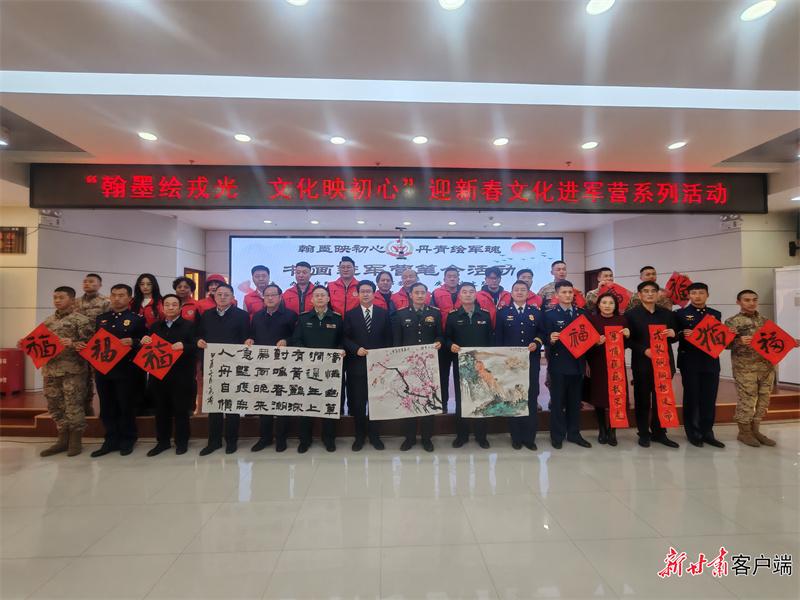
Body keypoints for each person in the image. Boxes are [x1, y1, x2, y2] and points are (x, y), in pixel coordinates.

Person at [21, 286, 94, 457]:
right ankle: (62, 439)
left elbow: (91, 345)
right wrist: (25, 343)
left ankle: (75, 440)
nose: (57, 300)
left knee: (73, 405)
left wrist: (73, 344)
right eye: (55, 297)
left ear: (72, 300)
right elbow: (39, 343)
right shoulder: (48, 321)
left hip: (73, 371)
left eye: (61, 297)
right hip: (50, 370)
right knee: (54, 405)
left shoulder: (81, 321)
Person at [91, 284, 147, 457]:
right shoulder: (101, 319)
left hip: (126, 370)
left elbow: (145, 342)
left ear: (129, 298)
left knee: (125, 405)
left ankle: (128, 438)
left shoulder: (137, 319)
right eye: (114, 295)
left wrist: (134, 342)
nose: (116, 298)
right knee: (107, 406)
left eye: (121, 295)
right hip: (104, 370)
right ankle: (110, 439)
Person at [196, 283, 252, 455]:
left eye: (226, 294)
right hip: (212, 365)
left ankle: (231, 441)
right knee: (214, 403)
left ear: (232, 297)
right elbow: (199, 335)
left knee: (232, 404)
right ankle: (214, 441)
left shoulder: (242, 315)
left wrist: (248, 341)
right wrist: (199, 341)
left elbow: (246, 337)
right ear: (214, 296)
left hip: (234, 366)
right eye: (219, 294)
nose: (222, 297)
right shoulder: (206, 315)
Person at [290, 286, 344, 453]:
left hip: (330, 369)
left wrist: (340, 350)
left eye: (323, 295)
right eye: (317, 295)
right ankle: (304, 440)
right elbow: (296, 340)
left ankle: (329, 439)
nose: (320, 298)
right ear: (311, 300)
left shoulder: (336, 318)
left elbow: (342, 340)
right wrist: (307, 357)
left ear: (328, 299)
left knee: (328, 403)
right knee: (306, 402)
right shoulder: (303, 318)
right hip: (308, 368)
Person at [626, 281, 680, 448]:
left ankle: (660, 433)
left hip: (664, 363)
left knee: (662, 399)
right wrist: (644, 350)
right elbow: (628, 341)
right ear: (639, 294)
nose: (649, 294)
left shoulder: (667, 314)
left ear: (658, 294)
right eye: (646, 291)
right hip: (642, 363)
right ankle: (643, 433)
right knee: (642, 399)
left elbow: (675, 337)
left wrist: (673, 334)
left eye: (653, 291)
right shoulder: (631, 315)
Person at [142, 294, 196, 456]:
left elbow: (197, 346)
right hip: (158, 375)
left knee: (181, 410)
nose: (170, 307)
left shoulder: (189, 326)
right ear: (162, 307)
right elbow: (147, 348)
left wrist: (185, 346)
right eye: (167, 304)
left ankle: (182, 442)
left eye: (174, 305)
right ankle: (163, 442)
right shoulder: (155, 326)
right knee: (161, 410)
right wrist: (144, 341)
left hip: (181, 375)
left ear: (180, 307)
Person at [392, 282, 443, 452]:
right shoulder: (400, 314)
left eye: (423, 292)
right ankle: (410, 438)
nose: (420, 295)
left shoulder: (435, 313)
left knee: (429, 400)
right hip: (408, 366)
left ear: (427, 295)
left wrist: (439, 342)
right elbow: (397, 342)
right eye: (417, 292)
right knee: (410, 400)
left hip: (428, 366)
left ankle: (427, 438)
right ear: (410, 295)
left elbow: (440, 335)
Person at [674, 283, 726, 448]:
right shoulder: (680, 314)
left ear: (707, 295)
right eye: (694, 293)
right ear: (689, 295)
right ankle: (693, 432)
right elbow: (673, 335)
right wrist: (682, 333)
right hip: (690, 361)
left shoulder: (715, 314)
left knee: (709, 398)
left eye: (701, 293)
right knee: (692, 397)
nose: (697, 296)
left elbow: (718, 336)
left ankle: (708, 432)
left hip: (711, 361)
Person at [343, 280, 392, 451]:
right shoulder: (350, 314)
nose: (365, 294)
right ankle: (359, 437)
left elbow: (389, 338)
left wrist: (385, 358)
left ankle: (374, 436)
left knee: (377, 402)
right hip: (356, 366)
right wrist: (355, 349)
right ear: (357, 294)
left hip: (379, 367)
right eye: (362, 291)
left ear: (374, 293)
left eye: (368, 291)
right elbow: (344, 338)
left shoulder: (383, 314)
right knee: (358, 403)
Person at [543, 281, 592, 449]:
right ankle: (557, 436)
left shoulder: (582, 314)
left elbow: (588, 338)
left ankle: (574, 434)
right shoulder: (549, 315)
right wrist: (550, 339)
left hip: (577, 364)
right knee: (557, 402)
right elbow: (544, 338)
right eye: (564, 292)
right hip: (558, 365)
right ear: (557, 295)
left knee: (575, 402)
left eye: (570, 292)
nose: (568, 295)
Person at [495, 280, 544, 450]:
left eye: (523, 290)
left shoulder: (536, 312)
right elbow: (498, 338)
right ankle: (516, 437)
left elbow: (542, 333)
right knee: (513, 398)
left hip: (531, 362)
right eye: (516, 289)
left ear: (528, 293)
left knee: (531, 397)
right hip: (510, 364)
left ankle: (529, 438)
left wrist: (536, 343)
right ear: (511, 293)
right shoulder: (503, 313)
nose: (520, 292)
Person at [725, 290, 777, 447]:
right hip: (745, 368)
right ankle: (744, 432)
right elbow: (723, 344)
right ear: (738, 302)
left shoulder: (765, 321)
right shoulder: (732, 322)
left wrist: (791, 342)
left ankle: (756, 430)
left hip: (766, 367)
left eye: (754, 300)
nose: (751, 303)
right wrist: (738, 341)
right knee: (747, 400)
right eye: (746, 300)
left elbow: (775, 340)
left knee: (763, 400)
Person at [249, 283, 298, 453]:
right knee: (264, 401)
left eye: (273, 295)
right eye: (267, 295)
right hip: (262, 365)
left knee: (281, 401)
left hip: (283, 366)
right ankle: (265, 437)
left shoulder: (290, 315)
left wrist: (287, 341)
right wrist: (250, 340)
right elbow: (252, 335)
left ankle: (281, 438)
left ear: (280, 297)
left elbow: (297, 338)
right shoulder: (257, 316)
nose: (270, 298)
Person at [445, 282, 493, 448]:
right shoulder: (453, 316)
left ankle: (481, 436)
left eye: (471, 291)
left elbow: (491, 339)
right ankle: (462, 435)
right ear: (459, 295)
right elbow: (446, 338)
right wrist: (450, 345)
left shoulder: (485, 315)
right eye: (464, 292)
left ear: (476, 294)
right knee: (462, 398)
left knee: (483, 397)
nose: (468, 294)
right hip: (461, 364)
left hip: (481, 365)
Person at [586, 292, 630, 446]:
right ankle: (602, 429)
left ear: (615, 306)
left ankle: (613, 430)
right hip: (598, 362)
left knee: (616, 395)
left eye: (611, 303)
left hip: (616, 364)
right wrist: (595, 342)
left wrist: (627, 335)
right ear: (598, 305)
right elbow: (585, 345)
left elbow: (628, 345)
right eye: (604, 302)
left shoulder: (622, 320)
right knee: (600, 396)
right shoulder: (592, 320)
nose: (607, 306)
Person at [75, 273, 110, 416]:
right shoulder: (75, 302)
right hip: (79, 347)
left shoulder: (106, 302)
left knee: (101, 381)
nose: (87, 283)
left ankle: (105, 412)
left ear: (100, 285)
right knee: (81, 381)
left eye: (91, 281)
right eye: (85, 281)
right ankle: (85, 412)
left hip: (98, 347)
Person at [432, 267, 461, 414]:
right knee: (442, 375)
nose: (452, 278)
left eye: (455, 276)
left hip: (460, 340)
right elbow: (432, 314)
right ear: (444, 278)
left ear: (458, 278)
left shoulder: (465, 292)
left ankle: (461, 408)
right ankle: (442, 406)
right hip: (442, 340)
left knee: (461, 376)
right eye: (449, 276)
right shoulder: (437, 293)